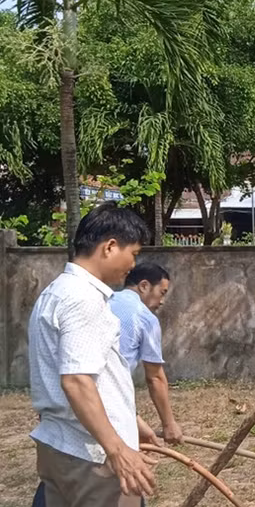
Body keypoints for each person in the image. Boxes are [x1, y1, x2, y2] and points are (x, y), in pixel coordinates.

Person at [28, 202, 155, 507]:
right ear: (110, 246)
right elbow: (76, 381)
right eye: (133, 254)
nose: (133, 266)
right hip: (91, 456)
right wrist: (117, 450)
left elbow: (93, 377)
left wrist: (130, 419)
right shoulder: (83, 300)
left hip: (61, 447)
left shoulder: (55, 292)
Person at [110, 262, 182, 445]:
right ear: (144, 286)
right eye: (162, 293)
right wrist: (169, 424)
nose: (162, 301)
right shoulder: (145, 318)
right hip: (110, 401)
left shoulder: (104, 301)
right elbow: (155, 377)